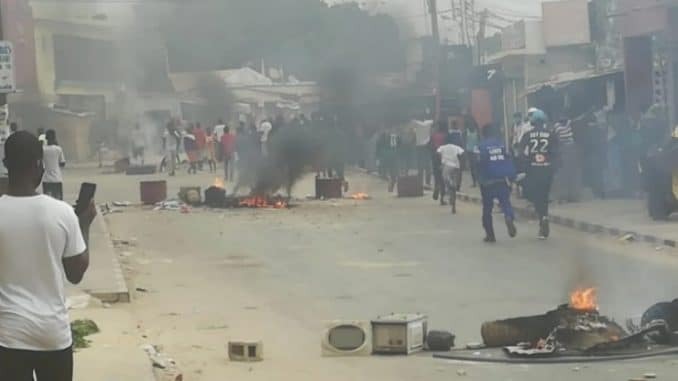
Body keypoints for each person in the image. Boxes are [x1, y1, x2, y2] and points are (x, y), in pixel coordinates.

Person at [0, 131, 97, 381]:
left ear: (5, 164)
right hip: (53, 335)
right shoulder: (62, 213)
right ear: (39, 165)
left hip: (8, 336)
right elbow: (76, 274)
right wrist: (84, 224)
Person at [518, 109, 559, 239]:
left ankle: (542, 218)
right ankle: (544, 217)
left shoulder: (528, 135)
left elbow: (521, 152)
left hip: (533, 170)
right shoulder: (551, 134)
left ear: (533, 122)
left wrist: (526, 164)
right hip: (547, 170)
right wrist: (553, 166)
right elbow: (557, 152)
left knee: (536, 196)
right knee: (545, 195)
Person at [476, 124, 517, 243]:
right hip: (502, 180)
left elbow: (478, 163)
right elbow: (508, 160)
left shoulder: (481, 146)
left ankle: (490, 235)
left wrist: (480, 178)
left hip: (487, 182)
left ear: (483, 134)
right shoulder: (501, 144)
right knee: (506, 204)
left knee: (487, 209)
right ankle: (509, 217)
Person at [553, 118, 580, 202]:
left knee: (571, 173)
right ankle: (564, 196)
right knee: (564, 174)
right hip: (563, 150)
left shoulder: (570, 123)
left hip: (570, 149)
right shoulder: (557, 126)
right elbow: (556, 139)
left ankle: (572, 196)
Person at [436, 140, 465, 213]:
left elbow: (437, 152)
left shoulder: (442, 147)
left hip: (447, 166)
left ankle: (448, 188)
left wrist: (441, 161)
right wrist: (460, 163)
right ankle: (453, 205)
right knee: (454, 185)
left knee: (445, 179)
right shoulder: (456, 147)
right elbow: (462, 153)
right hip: (456, 167)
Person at [41, 129, 66, 200]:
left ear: (46, 138)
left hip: (46, 179)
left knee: (47, 200)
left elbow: (40, 163)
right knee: (59, 200)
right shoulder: (58, 149)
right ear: (55, 137)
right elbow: (62, 163)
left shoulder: (43, 149)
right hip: (57, 179)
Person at [430, 122, 448, 202]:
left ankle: (436, 187)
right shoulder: (445, 136)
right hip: (443, 157)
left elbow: (429, 146)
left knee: (437, 176)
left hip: (435, 157)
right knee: (443, 178)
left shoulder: (433, 136)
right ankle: (442, 198)